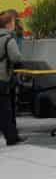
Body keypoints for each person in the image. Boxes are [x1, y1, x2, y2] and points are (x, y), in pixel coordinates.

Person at [0, 9, 23, 146]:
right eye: (13, 22)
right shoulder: (9, 39)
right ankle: (11, 138)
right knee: (6, 109)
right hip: (3, 78)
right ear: (8, 24)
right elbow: (16, 57)